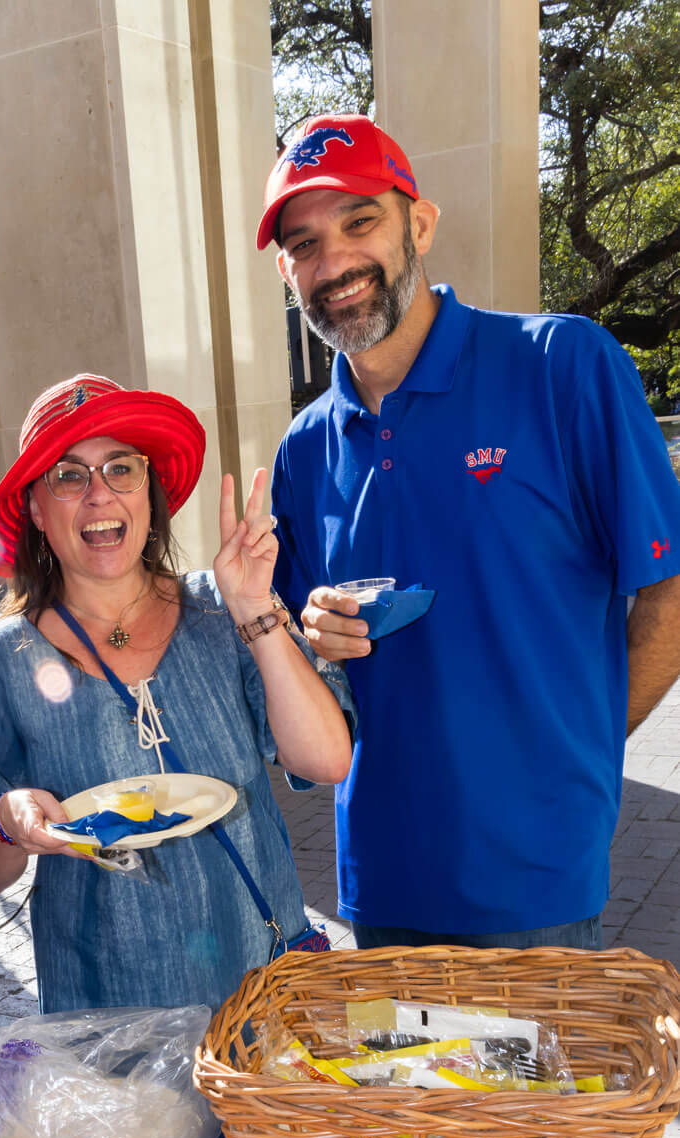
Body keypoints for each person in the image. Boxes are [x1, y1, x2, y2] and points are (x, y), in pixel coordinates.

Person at [257, 114, 680, 951]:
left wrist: (587, 748)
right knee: (410, 1088)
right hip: (378, 878)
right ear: (286, 271)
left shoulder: (564, 365)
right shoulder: (303, 448)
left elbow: (668, 588)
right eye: (304, 245)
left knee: (531, 1086)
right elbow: (293, 664)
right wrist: (309, 637)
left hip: (538, 876)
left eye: (359, 222)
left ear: (420, 223)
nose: (332, 262)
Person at [0, 374, 354, 1015]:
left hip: (266, 991)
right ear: (34, 507)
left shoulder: (226, 611)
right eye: (69, 475)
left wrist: (255, 611)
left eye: (120, 468)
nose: (99, 493)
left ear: (151, 491)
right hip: (110, 1018)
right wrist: (9, 817)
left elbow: (326, 760)